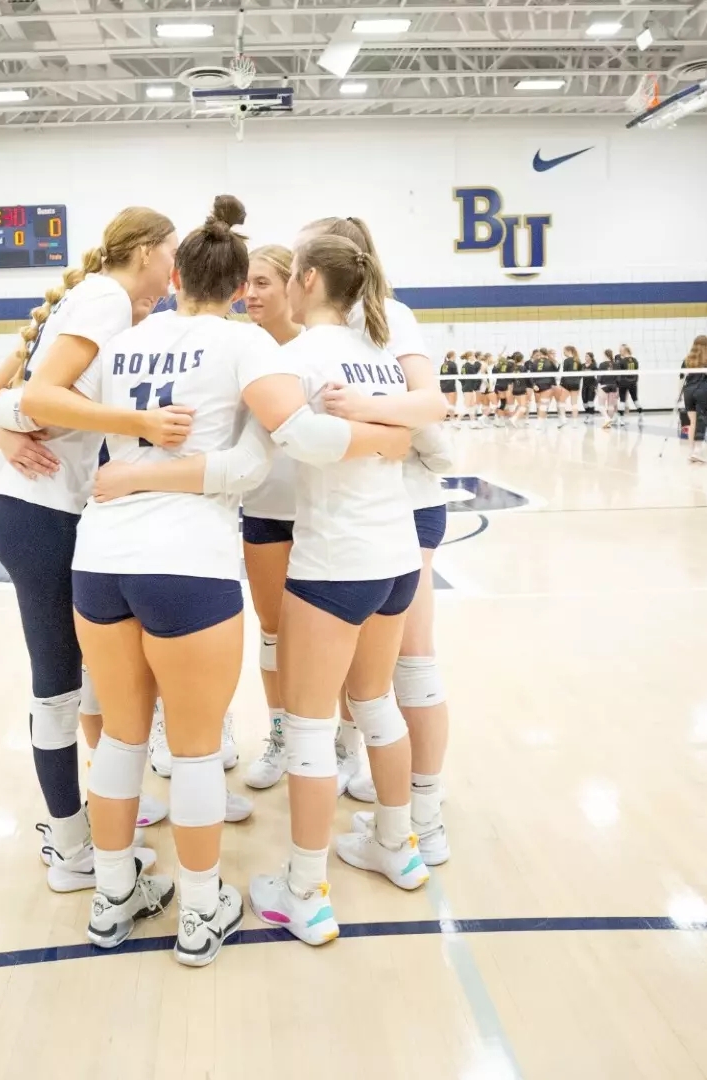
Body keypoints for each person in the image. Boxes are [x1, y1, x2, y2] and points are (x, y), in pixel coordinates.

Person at [23, 196, 396, 966]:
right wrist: (394, 429)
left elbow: (34, 404)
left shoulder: (123, 339)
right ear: (233, 288)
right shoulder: (244, 343)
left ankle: (113, 897)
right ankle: (199, 911)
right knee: (195, 753)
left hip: (102, 557)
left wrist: (123, 470)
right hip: (188, 561)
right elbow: (263, 460)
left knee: (121, 738)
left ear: (175, 277)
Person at [0, 206, 180, 892]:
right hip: (38, 512)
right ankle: (69, 847)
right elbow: (39, 396)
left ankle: (93, 816)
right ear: (146, 250)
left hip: (43, 508)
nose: (173, 268)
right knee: (58, 686)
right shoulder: (104, 298)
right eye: (170, 252)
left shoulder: (95, 299)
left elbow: (4, 394)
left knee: (81, 677)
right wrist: (136, 420)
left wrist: (2, 425)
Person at [299, 214, 455, 872]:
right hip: (363, 506)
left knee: (410, 662)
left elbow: (431, 406)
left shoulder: (390, 316)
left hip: (407, 501)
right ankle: (365, 779)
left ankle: (425, 814)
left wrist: (364, 410)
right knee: (361, 676)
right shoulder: (317, 334)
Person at [233, 242, 303, 790]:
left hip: (321, 512)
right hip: (262, 509)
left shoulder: (317, 346)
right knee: (274, 631)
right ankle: (280, 736)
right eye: (246, 284)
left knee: (333, 636)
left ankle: (340, 740)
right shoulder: (237, 347)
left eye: (263, 283)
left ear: (290, 284)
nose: (251, 294)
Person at [681, 334, 707, 464]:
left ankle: (692, 451)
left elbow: (681, 378)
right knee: (702, 420)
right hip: (704, 391)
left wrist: (679, 395)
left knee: (693, 422)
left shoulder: (687, 359)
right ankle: (697, 451)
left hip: (689, 392)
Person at [617, 343, 641, 414]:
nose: (620, 352)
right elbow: (636, 372)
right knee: (635, 399)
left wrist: (617, 383)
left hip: (623, 382)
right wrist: (635, 381)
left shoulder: (622, 361)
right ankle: (641, 414)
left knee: (622, 400)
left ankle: (621, 418)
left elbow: (618, 374)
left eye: (620, 351)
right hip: (633, 383)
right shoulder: (635, 360)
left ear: (624, 351)